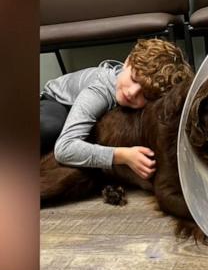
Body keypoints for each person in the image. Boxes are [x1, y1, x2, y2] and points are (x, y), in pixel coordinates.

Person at [40, 38, 193, 180]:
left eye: (145, 95)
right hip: (55, 103)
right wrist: (123, 156)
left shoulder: (135, 97)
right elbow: (64, 149)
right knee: (51, 128)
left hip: (87, 119)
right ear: (127, 62)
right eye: (133, 78)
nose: (132, 93)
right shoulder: (99, 92)